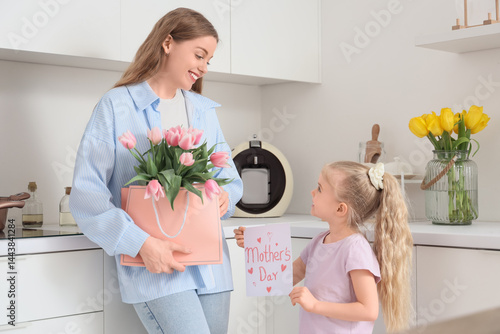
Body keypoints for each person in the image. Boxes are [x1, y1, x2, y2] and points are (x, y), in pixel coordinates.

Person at [70, 8, 243, 334]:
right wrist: (140, 244)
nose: (204, 67)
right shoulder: (116, 106)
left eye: (209, 60)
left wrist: (224, 196)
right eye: (199, 55)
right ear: (167, 43)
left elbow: (229, 178)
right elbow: (87, 195)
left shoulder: (203, 110)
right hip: (157, 266)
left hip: (212, 265)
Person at [235, 161, 413, 333]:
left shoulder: (355, 249)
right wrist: (256, 248)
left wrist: (315, 305)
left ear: (340, 209)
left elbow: (368, 310)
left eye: (320, 188)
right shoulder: (319, 242)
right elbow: (285, 278)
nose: (313, 192)